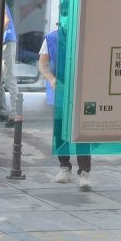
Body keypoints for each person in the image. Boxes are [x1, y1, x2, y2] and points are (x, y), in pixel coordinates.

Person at [37, 28, 92, 190]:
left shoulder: (86, 34)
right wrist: (51, 79)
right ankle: (64, 167)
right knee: (60, 131)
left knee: (81, 132)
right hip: (60, 91)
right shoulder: (51, 38)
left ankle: (84, 173)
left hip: (82, 90)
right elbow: (43, 64)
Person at [2, 4, 22, 126]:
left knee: (8, 76)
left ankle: (15, 115)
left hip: (7, 41)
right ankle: (2, 111)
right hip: (6, 41)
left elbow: (6, 21)